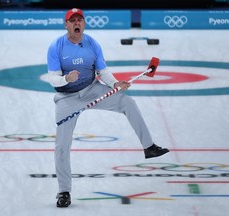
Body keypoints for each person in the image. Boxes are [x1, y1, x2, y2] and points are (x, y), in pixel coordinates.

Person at [46, 8, 169, 208]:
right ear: (66, 25)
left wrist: (114, 84)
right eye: (72, 20)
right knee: (62, 146)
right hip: (66, 98)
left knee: (127, 102)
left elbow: (102, 71)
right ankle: (64, 191)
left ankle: (149, 147)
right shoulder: (56, 47)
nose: (77, 23)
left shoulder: (92, 44)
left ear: (83, 24)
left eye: (80, 20)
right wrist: (65, 79)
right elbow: (52, 78)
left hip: (91, 89)